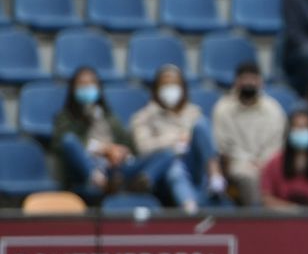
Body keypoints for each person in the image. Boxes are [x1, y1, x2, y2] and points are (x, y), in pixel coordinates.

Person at [130, 64, 226, 214]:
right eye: (165, 85)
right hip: (165, 170)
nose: (170, 89)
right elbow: (143, 147)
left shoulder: (194, 112)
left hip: (195, 164)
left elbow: (205, 142)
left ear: (183, 88)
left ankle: (216, 177)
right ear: (156, 89)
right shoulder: (143, 117)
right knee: (175, 169)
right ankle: (190, 209)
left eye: (174, 84)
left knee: (201, 125)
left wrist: (187, 140)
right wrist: (174, 141)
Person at [52, 66, 141, 204]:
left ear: (99, 88)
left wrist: (119, 151)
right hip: (84, 168)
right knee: (69, 140)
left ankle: (140, 183)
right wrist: (102, 149)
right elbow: (60, 145)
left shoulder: (110, 117)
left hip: (113, 167)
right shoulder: (65, 117)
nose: (87, 87)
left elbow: (128, 144)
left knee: (164, 155)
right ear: (73, 89)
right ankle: (99, 180)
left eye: (91, 83)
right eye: (82, 84)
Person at [211, 60, 285, 207]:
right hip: (237, 163)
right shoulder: (223, 109)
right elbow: (223, 146)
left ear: (261, 82)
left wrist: (263, 161)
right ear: (236, 82)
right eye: (245, 79)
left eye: (253, 79)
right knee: (249, 176)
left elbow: (276, 143)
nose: (249, 83)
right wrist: (248, 161)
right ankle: (257, 219)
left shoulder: (273, 109)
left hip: (268, 161)